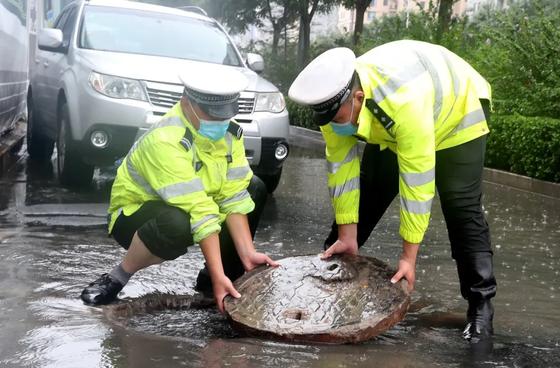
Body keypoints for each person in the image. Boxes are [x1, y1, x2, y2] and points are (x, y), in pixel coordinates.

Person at [288, 40, 497, 344]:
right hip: (391, 123)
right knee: (369, 190)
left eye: (337, 118)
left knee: (461, 208)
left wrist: (408, 258)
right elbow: (343, 173)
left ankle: (481, 309)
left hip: (458, 113)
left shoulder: (404, 101)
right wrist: (346, 236)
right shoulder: (334, 103)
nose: (333, 125)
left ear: (357, 97)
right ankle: (333, 279)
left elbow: (417, 182)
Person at [81, 64, 278, 311]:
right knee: (180, 221)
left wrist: (248, 252)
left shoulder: (229, 134)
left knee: (254, 188)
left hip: (192, 205)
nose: (219, 122)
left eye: (224, 115)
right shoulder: (165, 140)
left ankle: (219, 281)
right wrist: (219, 271)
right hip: (134, 216)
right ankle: (119, 275)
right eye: (212, 114)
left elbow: (234, 194)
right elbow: (199, 209)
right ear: (187, 103)